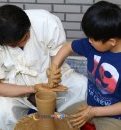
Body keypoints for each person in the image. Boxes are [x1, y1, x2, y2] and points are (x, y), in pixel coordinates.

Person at [0, 5, 87, 130]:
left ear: (29, 25)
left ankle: (71, 120)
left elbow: (58, 55)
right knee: (0, 114)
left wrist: (54, 74)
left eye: (25, 38)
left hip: (49, 76)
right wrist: (33, 88)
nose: (22, 44)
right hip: (14, 87)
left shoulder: (45, 21)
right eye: (13, 45)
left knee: (82, 86)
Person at [48, 1, 121, 130]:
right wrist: (54, 66)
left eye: (93, 39)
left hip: (113, 115)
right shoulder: (92, 45)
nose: (89, 41)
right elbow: (67, 47)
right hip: (88, 105)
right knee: (56, 119)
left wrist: (94, 112)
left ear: (112, 42)